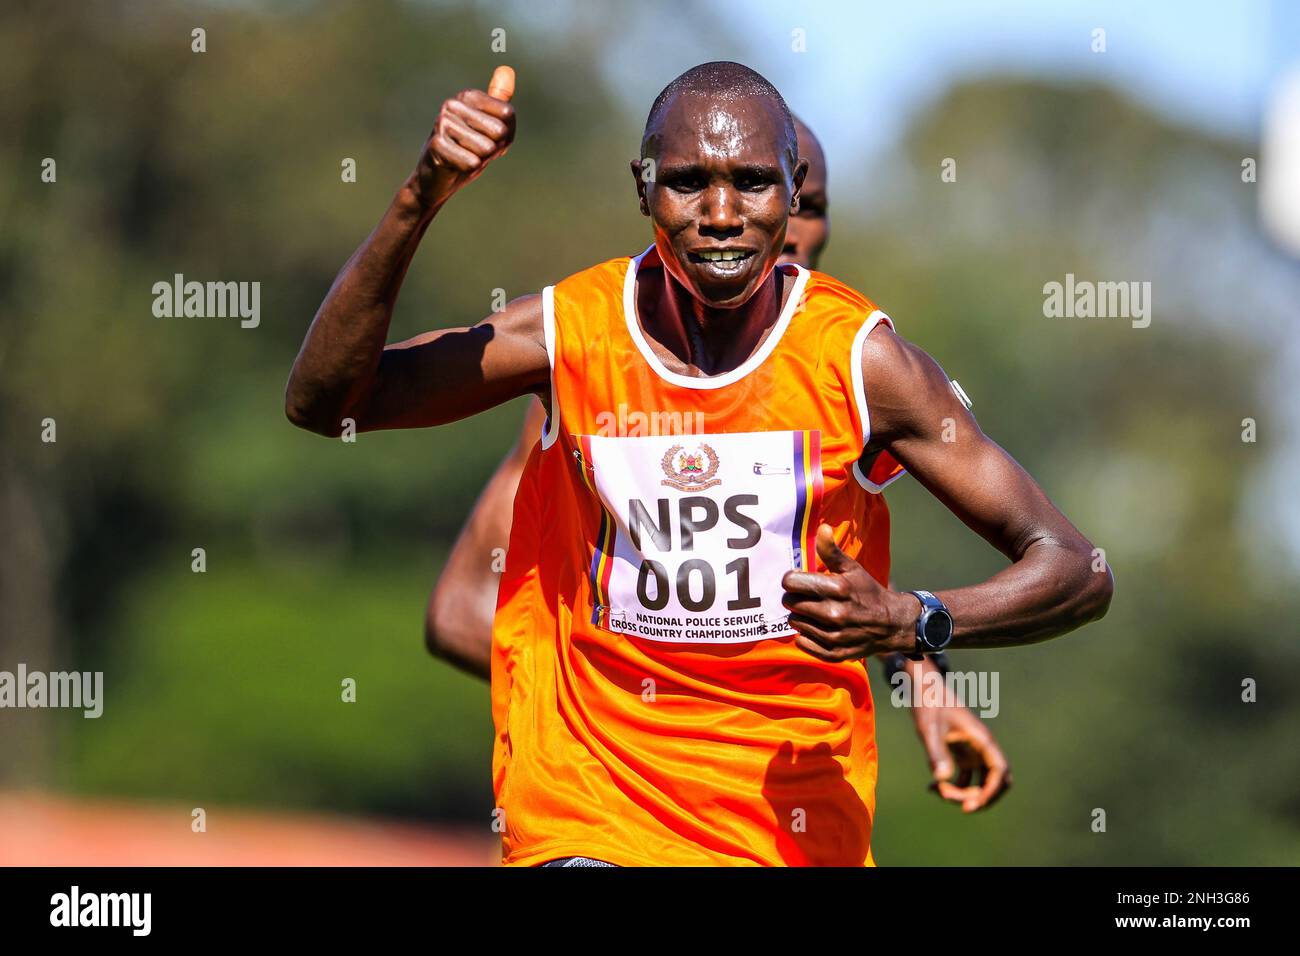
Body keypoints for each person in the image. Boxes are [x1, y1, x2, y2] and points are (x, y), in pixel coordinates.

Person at [285, 61, 1113, 866]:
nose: (722, 213)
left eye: (755, 184)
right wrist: (418, 197)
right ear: (642, 188)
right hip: (591, 813)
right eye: (688, 183)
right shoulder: (571, 339)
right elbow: (329, 405)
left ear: (791, 198)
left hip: (789, 828)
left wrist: (910, 628)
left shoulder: (863, 367)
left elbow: (1077, 568)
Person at [424, 114, 1013, 814]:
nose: (782, 228)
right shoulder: (595, 385)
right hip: (609, 811)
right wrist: (636, 709)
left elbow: (830, 585)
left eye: (804, 204)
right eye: (702, 188)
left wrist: (924, 683)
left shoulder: (853, 375)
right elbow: (461, 612)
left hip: (790, 803)